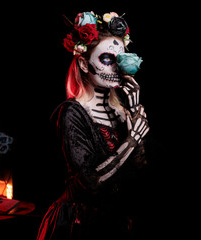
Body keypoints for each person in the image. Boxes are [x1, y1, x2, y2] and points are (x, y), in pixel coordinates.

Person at [37, 11, 149, 239]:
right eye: (107, 59)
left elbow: (140, 169)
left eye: (120, 59)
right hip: (76, 224)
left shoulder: (122, 111)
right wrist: (132, 139)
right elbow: (91, 182)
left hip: (114, 223)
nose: (117, 68)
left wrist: (135, 111)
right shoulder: (72, 112)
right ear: (84, 64)